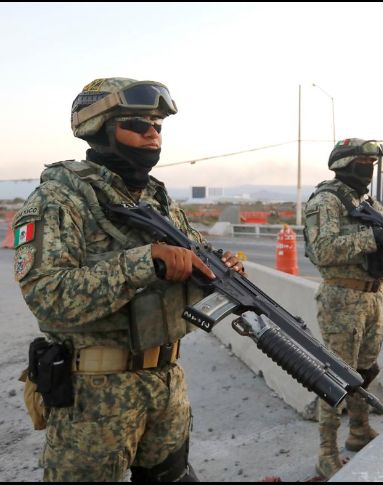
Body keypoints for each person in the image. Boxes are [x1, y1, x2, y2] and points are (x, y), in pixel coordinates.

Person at [13, 77, 244, 482]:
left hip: (166, 384)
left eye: (158, 126)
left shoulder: (156, 201)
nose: (153, 135)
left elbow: (194, 252)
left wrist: (220, 264)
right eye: (138, 126)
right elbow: (47, 295)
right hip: (94, 399)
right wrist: (145, 262)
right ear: (99, 129)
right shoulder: (60, 199)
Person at [303, 138, 383, 479]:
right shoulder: (327, 200)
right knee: (335, 377)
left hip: (373, 295)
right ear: (344, 163)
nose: (369, 168)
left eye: (372, 162)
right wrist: (372, 239)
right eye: (363, 161)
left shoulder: (368, 201)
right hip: (341, 298)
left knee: (365, 370)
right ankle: (326, 451)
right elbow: (323, 251)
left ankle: (359, 432)